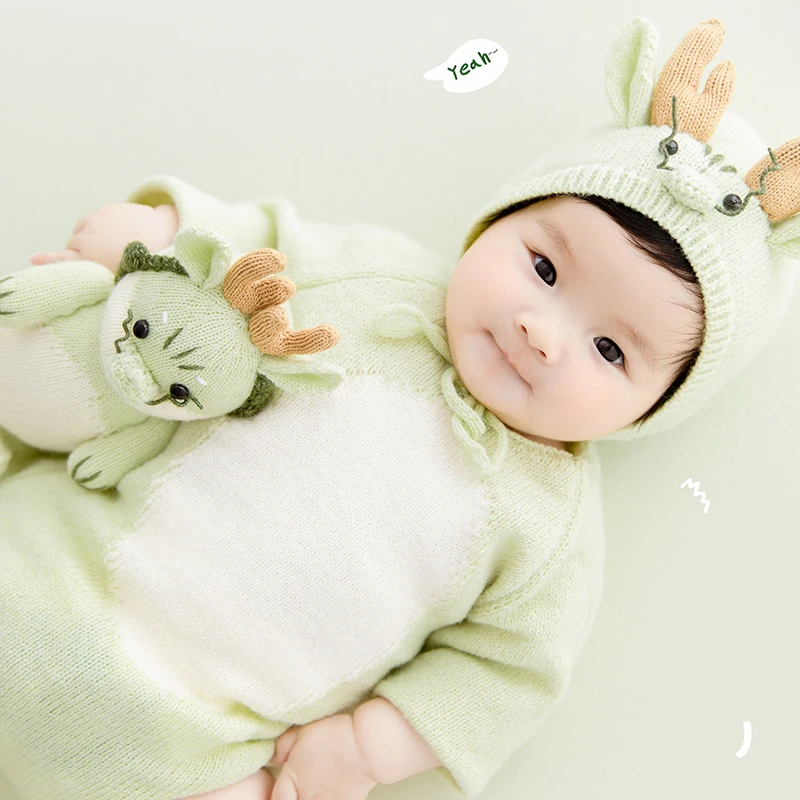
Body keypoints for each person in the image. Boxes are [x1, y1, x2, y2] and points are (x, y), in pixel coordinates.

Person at [2, 15, 798, 800]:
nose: (543, 333)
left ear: (655, 408)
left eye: (611, 351)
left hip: (175, 751)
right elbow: (257, 248)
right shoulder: (375, 279)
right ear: (500, 220)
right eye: (546, 270)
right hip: (42, 569)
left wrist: (367, 747)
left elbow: (508, 671)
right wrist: (160, 231)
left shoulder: (551, 530)